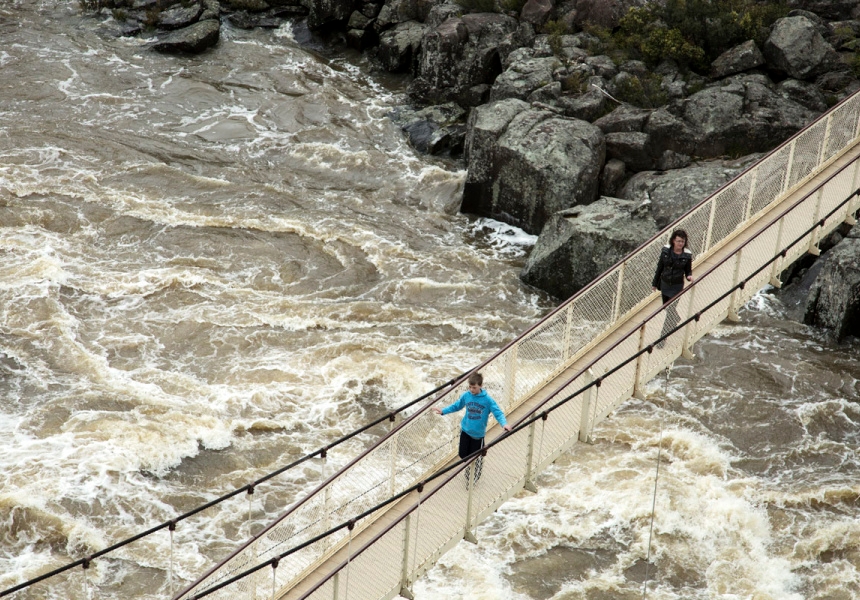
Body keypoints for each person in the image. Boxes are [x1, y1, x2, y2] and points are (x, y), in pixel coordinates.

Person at [432, 372, 512, 484]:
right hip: (465, 430)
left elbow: (498, 413)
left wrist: (504, 424)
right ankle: (469, 468)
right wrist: (443, 411)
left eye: (474, 387)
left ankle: (474, 477)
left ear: (480, 386)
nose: (471, 390)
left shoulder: (488, 400)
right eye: (469, 387)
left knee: (476, 458)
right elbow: (457, 406)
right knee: (463, 455)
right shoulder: (466, 395)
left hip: (478, 435)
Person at [651, 229, 694, 347]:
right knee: (667, 308)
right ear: (673, 241)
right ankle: (676, 319)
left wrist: (689, 276)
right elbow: (660, 267)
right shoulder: (665, 251)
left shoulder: (687, 255)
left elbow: (688, 270)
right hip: (665, 285)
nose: (680, 244)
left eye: (683, 241)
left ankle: (662, 339)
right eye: (678, 241)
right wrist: (654, 283)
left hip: (677, 286)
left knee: (669, 311)